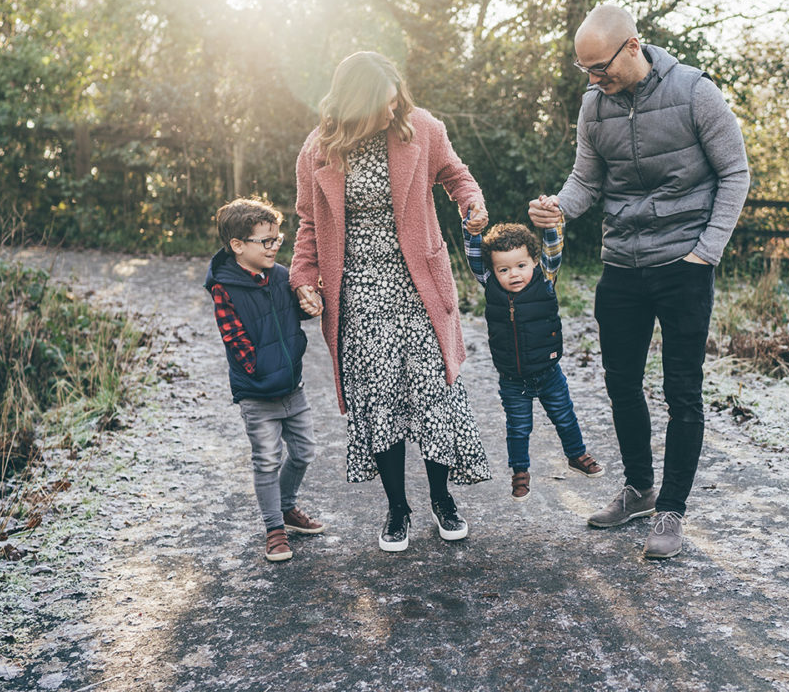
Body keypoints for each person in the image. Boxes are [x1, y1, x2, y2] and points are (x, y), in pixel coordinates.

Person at [529, 4, 750, 559]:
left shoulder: (696, 92)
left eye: (599, 67)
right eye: (585, 72)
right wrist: (559, 207)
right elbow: (587, 178)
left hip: (684, 265)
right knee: (621, 383)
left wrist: (708, 252)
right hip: (621, 265)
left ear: (632, 46)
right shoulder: (593, 107)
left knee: (682, 391)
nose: (593, 79)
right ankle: (639, 490)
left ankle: (672, 510)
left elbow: (735, 172)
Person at [290, 51, 491, 553]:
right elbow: (308, 225)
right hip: (357, 294)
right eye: (383, 103)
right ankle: (397, 509)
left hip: (418, 284)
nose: (393, 109)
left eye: (396, 99)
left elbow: (456, 175)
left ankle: (443, 501)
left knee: (433, 394)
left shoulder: (419, 127)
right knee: (379, 402)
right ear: (354, 104)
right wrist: (304, 278)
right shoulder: (317, 151)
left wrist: (471, 201)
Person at [204, 197, 326, 563]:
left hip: (293, 387)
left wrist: (311, 303)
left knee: (304, 452)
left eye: (277, 239)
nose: (275, 247)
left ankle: (287, 506)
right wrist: (262, 372)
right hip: (257, 394)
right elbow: (236, 342)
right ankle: (274, 528)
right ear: (238, 245)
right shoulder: (224, 289)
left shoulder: (283, 276)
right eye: (266, 241)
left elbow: (294, 316)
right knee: (267, 460)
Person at [462, 214, 604, 501]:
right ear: (494, 270)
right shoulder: (490, 284)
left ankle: (576, 455)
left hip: (548, 373)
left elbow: (553, 248)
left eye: (521, 266)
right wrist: (472, 230)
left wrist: (551, 225)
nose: (513, 274)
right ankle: (520, 472)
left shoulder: (545, 279)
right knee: (518, 428)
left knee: (565, 418)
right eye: (504, 269)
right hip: (513, 379)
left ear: (534, 262)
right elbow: (475, 256)